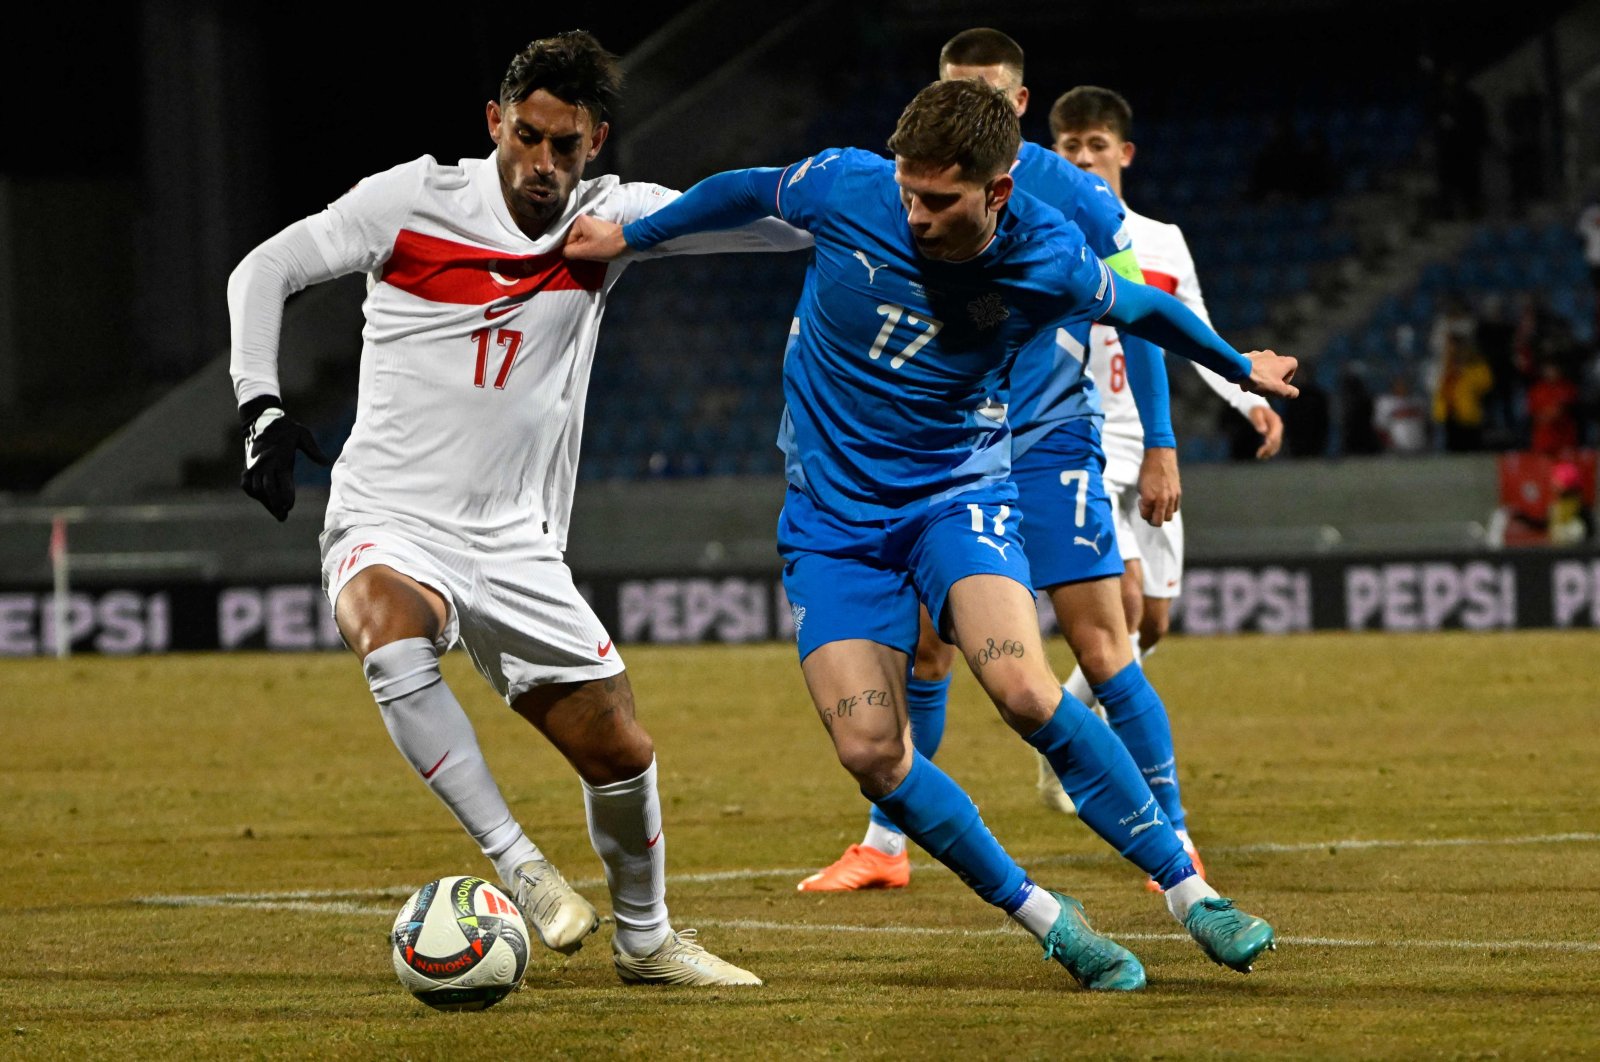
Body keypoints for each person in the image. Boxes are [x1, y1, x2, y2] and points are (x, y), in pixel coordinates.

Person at [566, 77, 1295, 989]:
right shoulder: (846, 185)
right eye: (909, 191)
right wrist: (631, 235)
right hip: (831, 522)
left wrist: (1237, 363)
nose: (913, 213)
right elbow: (745, 190)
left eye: (939, 199)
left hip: (956, 494)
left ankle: (1193, 896)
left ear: (996, 191)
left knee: (1027, 690)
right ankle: (1049, 920)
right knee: (871, 751)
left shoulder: (1047, 259)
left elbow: (1143, 308)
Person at [227, 30, 811, 987]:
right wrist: (261, 404)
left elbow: (751, 218)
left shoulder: (608, 221)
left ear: (597, 143)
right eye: (528, 138)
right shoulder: (413, 200)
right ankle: (521, 867)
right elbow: (263, 271)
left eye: (566, 148)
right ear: (495, 122)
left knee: (619, 751)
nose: (543, 165)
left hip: (515, 540)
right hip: (389, 510)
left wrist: (856, 207)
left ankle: (647, 942)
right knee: (388, 629)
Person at [790, 29, 1184, 898]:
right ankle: (886, 844)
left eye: (989, 95)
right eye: (951, 90)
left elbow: (1139, 312)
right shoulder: (913, 200)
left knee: (1101, 641)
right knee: (927, 652)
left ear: (1016, 107)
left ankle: (1177, 850)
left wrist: (1159, 439)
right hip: (956, 460)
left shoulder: (1071, 197)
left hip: (1046, 444)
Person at [1042, 86, 1284, 833]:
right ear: (1054, 153)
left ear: (1124, 153)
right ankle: (1138, 800)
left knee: (1154, 625)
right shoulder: (1045, 234)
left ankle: (1059, 734)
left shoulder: (1162, 241)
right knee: (1120, 606)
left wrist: (1249, 400)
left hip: (1146, 442)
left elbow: (1194, 331)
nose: (1083, 157)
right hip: (1076, 444)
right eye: (1070, 145)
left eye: (1095, 145)